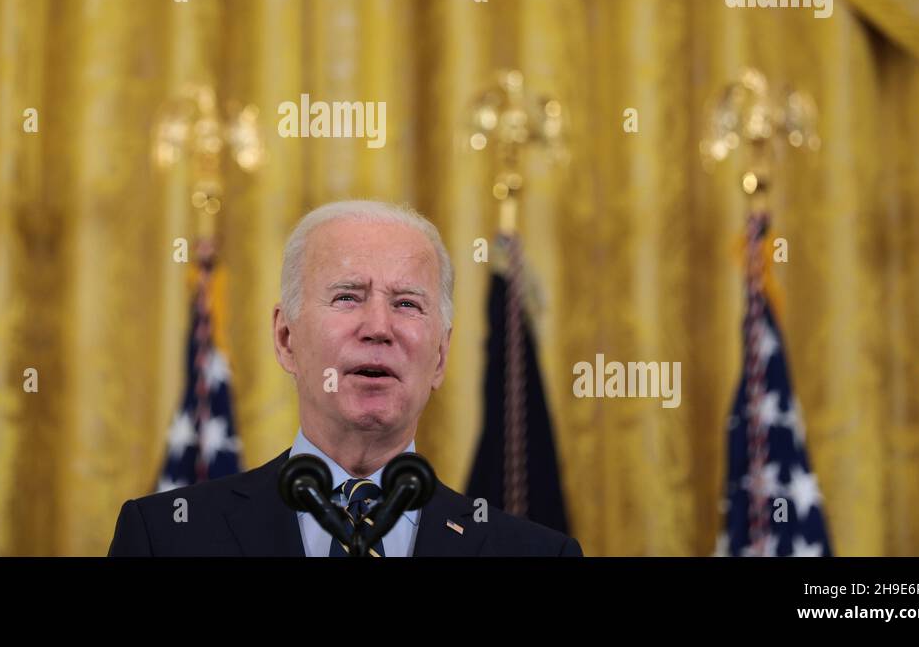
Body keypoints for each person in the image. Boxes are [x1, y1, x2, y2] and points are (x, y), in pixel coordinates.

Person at [108, 199, 583, 556]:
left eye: (407, 304)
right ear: (286, 338)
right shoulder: (167, 536)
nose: (379, 328)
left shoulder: (535, 554)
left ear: (440, 355)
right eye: (347, 297)